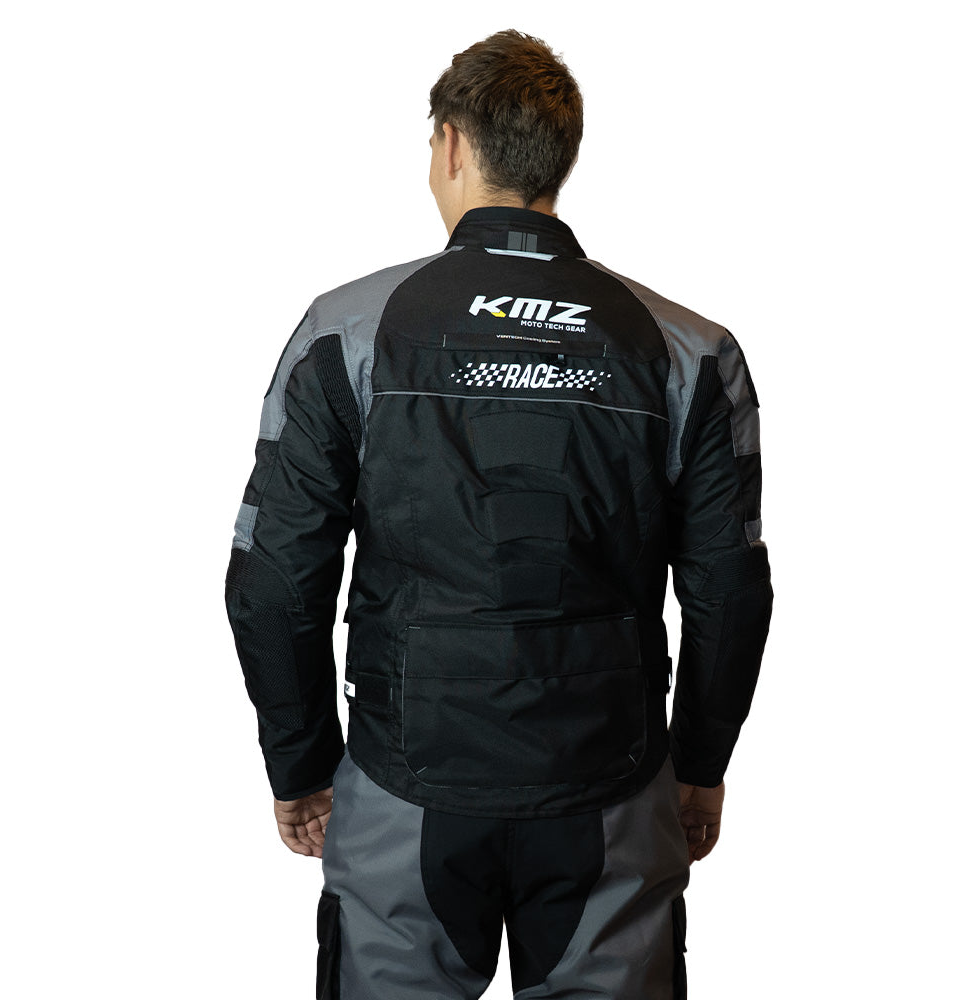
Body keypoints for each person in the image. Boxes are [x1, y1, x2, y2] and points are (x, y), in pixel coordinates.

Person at [225, 28, 772, 1000]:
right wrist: (698, 764)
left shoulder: (347, 331)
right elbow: (729, 588)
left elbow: (274, 576)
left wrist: (301, 765)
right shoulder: (688, 349)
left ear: (449, 145)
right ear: (560, 159)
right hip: (613, 794)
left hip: (403, 791)